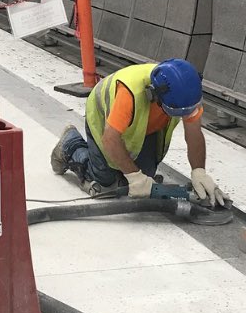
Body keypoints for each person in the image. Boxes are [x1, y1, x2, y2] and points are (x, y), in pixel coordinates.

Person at [50, 59, 226, 205]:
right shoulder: (130, 93)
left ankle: (125, 171)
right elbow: (110, 139)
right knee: (105, 184)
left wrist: (199, 172)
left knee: (145, 181)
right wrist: (135, 177)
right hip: (103, 119)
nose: (185, 116)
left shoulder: (184, 92)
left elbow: (194, 134)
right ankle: (70, 144)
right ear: (154, 96)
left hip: (141, 128)